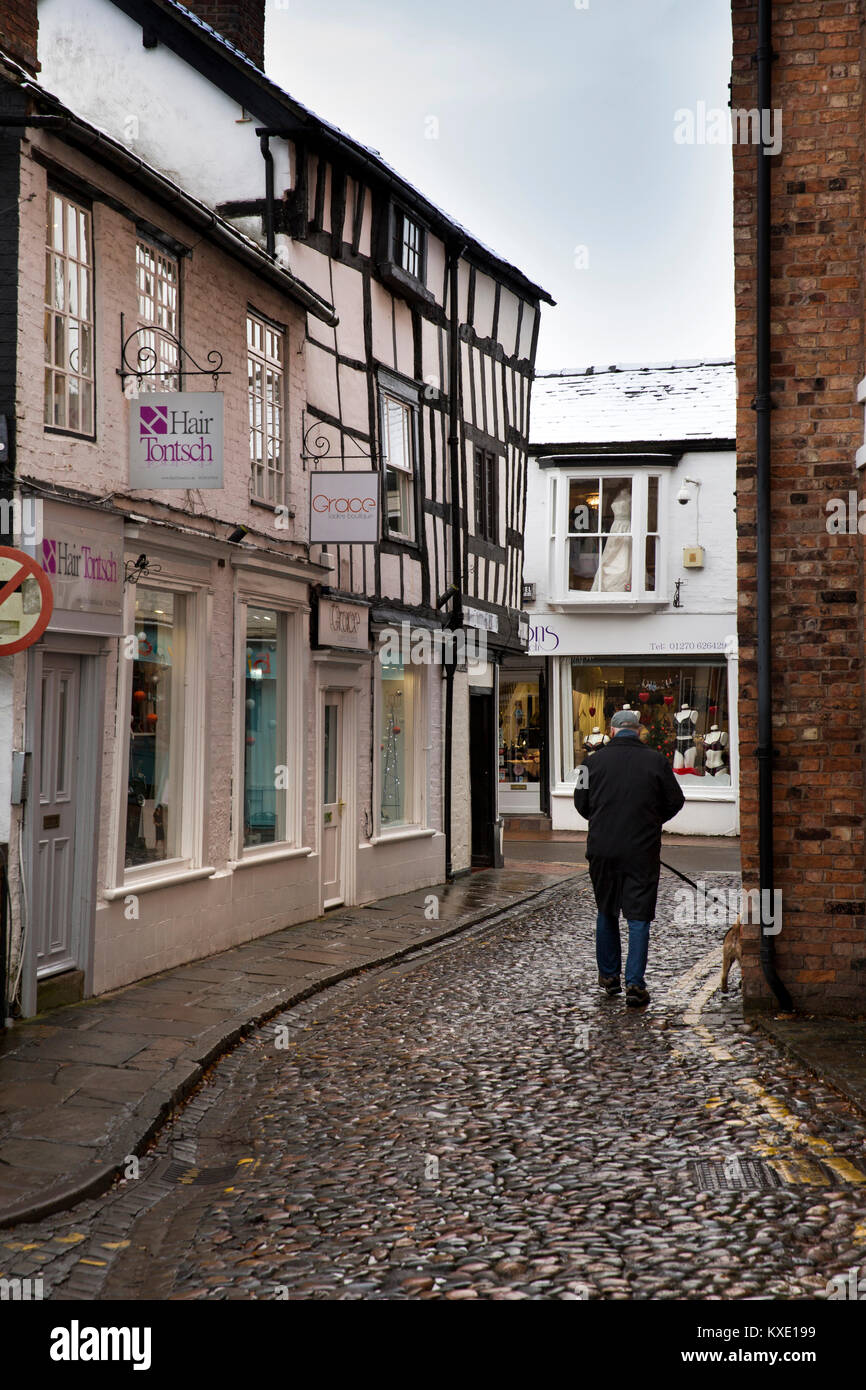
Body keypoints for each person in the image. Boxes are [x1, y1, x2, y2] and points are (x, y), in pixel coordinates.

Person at [574, 707, 685, 1007]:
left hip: (602, 848)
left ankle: (609, 977)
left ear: (611, 732)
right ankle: (635, 983)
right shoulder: (657, 761)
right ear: (638, 731)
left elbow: (581, 804)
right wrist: (651, 821)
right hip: (641, 850)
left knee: (606, 910)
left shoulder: (589, 763)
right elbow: (676, 800)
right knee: (638, 916)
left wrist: (603, 820)